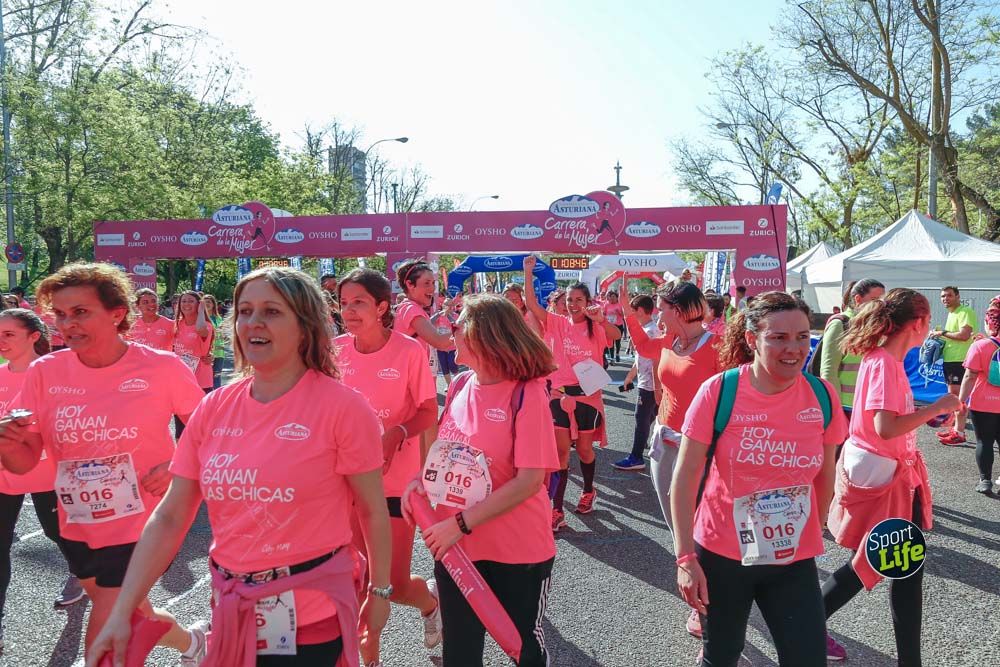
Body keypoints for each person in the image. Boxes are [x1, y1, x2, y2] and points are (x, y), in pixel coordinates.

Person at [88, 266, 393, 667]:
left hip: (314, 613)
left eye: (271, 311)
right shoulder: (215, 407)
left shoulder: (344, 408)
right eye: (245, 311)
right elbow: (171, 515)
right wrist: (124, 607)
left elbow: (372, 511)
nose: (253, 322)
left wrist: (380, 593)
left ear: (304, 326)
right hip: (232, 604)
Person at [0, 263, 209, 663]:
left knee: (109, 614)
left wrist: (176, 466)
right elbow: (26, 461)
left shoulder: (160, 367)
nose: (67, 324)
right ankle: (195, 643)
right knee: (131, 611)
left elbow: (208, 432)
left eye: (80, 312)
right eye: (60, 314)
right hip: (78, 517)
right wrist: (6, 442)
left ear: (116, 314)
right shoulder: (46, 371)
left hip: (147, 517)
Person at [671, 292, 848, 667]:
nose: (794, 348)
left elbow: (825, 474)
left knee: (807, 658)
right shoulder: (720, 391)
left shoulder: (822, 395)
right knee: (721, 656)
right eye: (779, 337)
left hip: (791, 558)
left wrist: (811, 528)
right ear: (752, 339)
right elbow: (684, 479)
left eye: (802, 337)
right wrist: (686, 558)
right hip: (721, 556)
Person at [401, 294, 559, 667]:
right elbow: (449, 454)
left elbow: (529, 481)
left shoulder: (527, 392)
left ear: (481, 335)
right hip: (457, 550)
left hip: (516, 552)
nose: (448, 333)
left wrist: (459, 524)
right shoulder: (458, 385)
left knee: (525, 651)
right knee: (459, 653)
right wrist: (421, 484)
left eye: (455, 326)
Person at [822, 289, 961, 665]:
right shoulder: (885, 362)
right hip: (890, 477)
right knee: (888, 563)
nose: (930, 326)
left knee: (894, 563)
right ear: (917, 323)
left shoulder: (882, 358)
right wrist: (938, 406)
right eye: (929, 319)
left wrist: (924, 412)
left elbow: (884, 418)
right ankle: (807, 623)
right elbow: (885, 427)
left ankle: (808, 624)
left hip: (883, 472)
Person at [334, 268, 442, 665]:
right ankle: (370, 656)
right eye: (344, 303)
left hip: (396, 483)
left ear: (382, 307)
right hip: (346, 483)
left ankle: (431, 603)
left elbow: (429, 410)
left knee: (392, 585)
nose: (349, 311)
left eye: (358, 302)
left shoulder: (410, 351)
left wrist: (397, 432)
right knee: (359, 577)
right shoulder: (334, 351)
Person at [0, 309, 84, 651]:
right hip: (4, 474)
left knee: (56, 532)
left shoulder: (53, 374)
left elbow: (70, 420)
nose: (2, 341)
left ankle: (80, 571)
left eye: (9, 334)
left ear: (34, 336)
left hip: (47, 473)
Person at [522, 255, 621, 529]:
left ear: (587, 301)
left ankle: (589, 490)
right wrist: (528, 273)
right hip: (559, 395)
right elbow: (531, 304)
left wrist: (600, 319)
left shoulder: (594, 325)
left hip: (587, 396)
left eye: (578, 300)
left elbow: (615, 335)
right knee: (561, 452)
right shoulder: (556, 323)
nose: (573, 304)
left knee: (586, 450)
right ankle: (556, 509)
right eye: (569, 300)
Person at [816, 279, 886, 443]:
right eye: (875, 299)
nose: (881, 305)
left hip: (866, 405)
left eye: (883, 300)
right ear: (858, 299)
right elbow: (828, 370)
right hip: (845, 407)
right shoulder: (840, 323)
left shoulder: (874, 325)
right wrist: (835, 410)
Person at [611, 295, 660, 471]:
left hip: (649, 385)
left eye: (632, 310)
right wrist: (630, 377)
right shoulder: (647, 329)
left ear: (640, 310)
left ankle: (636, 457)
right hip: (647, 383)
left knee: (641, 419)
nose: (630, 314)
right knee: (648, 418)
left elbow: (656, 360)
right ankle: (644, 445)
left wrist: (657, 388)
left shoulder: (651, 331)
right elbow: (640, 358)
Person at [958, 296, 1000, 493]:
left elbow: (969, 376)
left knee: (984, 442)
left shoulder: (980, 346)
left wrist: (960, 401)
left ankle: (985, 481)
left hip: (983, 404)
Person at [933, 286, 976, 445]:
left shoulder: (965, 311)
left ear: (958, 296)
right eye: (943, 296)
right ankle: (957, 430)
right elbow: (953, 337)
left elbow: (964, 336)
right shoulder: (952, 313)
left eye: (949, 295)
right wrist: (938, 336)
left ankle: (959, 432)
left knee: (957, 398)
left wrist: (942, 333)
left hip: (960, 360)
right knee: (955, 397)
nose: (945, 299)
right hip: (951, 360)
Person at [433, 295, 462, 385]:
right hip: (441, 346)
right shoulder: (439, 315)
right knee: (444, 367)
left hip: (452, 346)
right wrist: (438, 314)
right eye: (446, 304)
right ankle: (449, 385)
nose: (448, 307)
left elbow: (456, 325)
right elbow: (429, 322)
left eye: (450, 305)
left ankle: (458, 383)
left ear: (452, 306)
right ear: (443, 305)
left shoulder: (455, 315)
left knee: (452, 365)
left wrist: (448, 315)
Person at [202, 295, 227, 390]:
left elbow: (223, 335)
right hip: (205, 354)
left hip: (219, 353)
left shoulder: (219, 319)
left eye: (209, 302)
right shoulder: (200, 319)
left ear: (213, 304)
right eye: (204, 301)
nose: (207, 303)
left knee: (216, 377)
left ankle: (217, 400)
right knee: (205, 380)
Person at [603, 291, 625, 363]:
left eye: (613, 297)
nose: (612, 298)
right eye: (611, 297)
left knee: (617, 342)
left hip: (618, 325)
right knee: (610, 342)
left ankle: (617, 354)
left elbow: (623, 316)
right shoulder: (606, 305)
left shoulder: (619, 305)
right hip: (610, 326)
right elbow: (604, 314)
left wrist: (618, 312)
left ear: (616, 298)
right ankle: (612, 358)